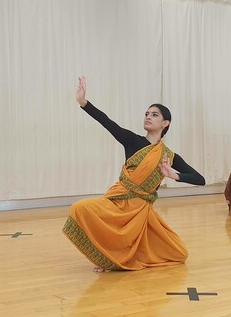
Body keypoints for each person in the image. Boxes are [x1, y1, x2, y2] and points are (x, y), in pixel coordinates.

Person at [63, 77, 205, 272]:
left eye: (154, 115)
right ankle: (108, 258)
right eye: (147, 113)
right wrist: (83, 103)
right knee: (80, 208)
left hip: (141, 211)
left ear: (166, 123)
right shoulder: (132, 140)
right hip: (118, 201)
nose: (148, 116)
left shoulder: (168, 156)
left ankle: (119, 256)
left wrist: (173, 175)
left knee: (179, 253)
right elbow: (107, 122)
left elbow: (200, 180)